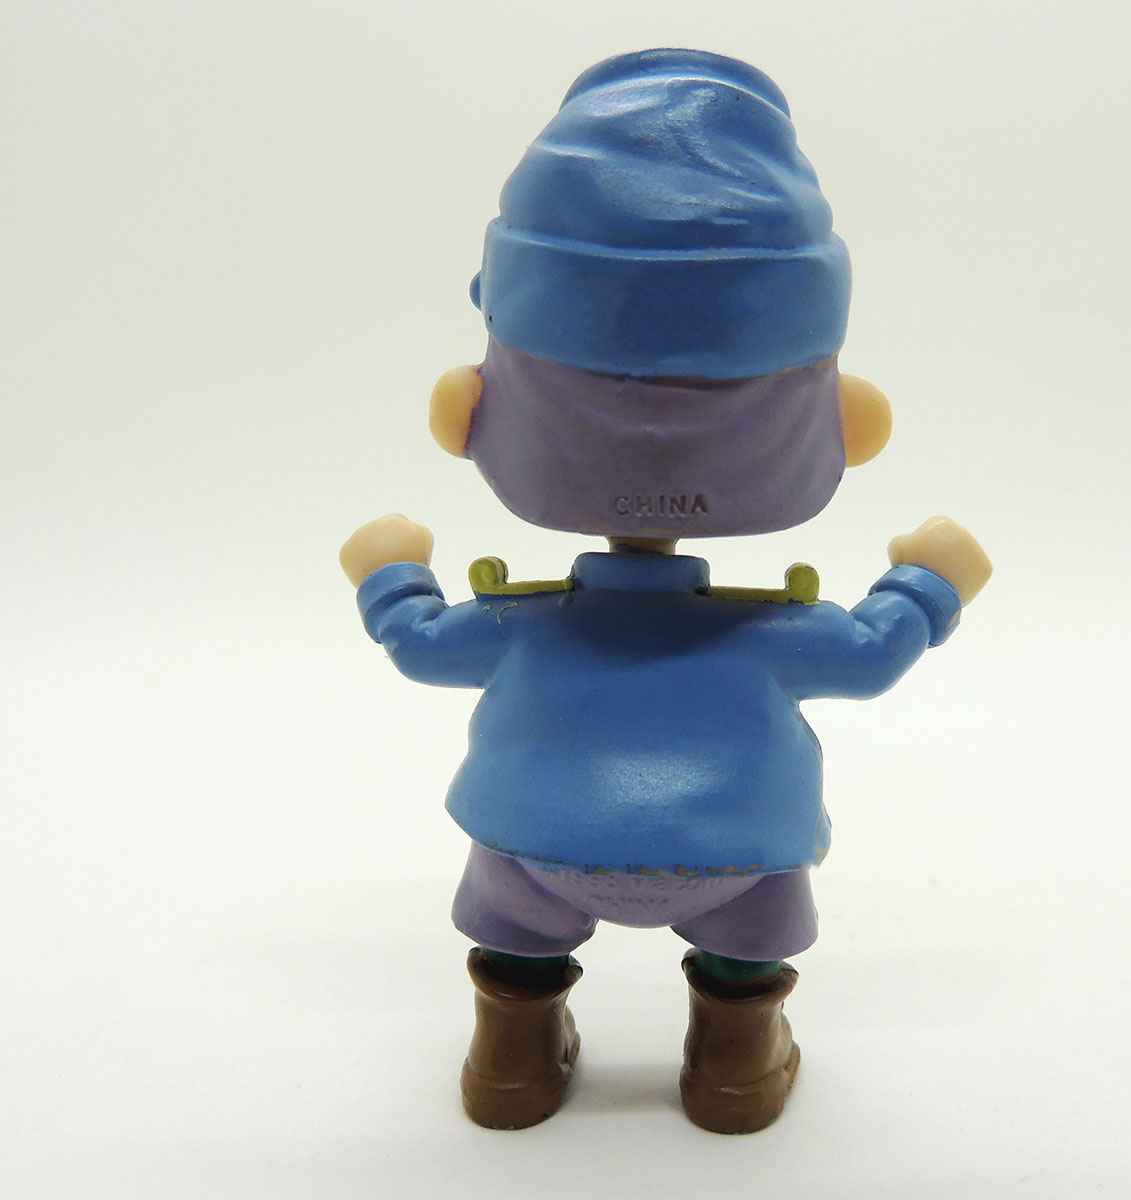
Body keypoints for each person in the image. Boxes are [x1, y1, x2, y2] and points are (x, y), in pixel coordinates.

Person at [340, 48, 991, 1135]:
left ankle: (511, 1058)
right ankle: (736, 1064)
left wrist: (390, 569)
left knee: (513, 936)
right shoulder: (773, 632)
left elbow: (418, 643)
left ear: (470, 412)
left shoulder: (520, 622)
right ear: (843, 422)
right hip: (736, 850)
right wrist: (929, 579)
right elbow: (875, 653)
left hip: (535, 841)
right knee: (749, 948)